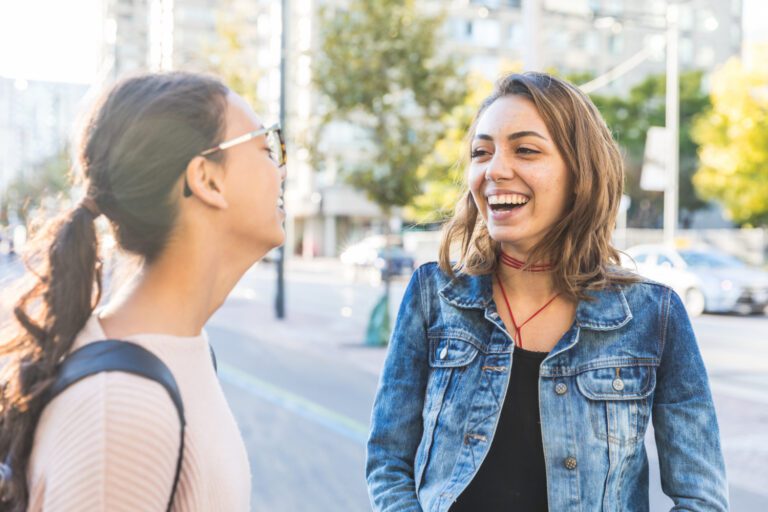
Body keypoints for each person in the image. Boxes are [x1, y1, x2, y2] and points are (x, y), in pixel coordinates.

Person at [366, 72, 728, 511]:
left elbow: (702, 499)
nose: (495, 170)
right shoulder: (433, 293)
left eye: (526, 150)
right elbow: (389, 461)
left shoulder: (655, 315)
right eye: (482, 152)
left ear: (580, 173)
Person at [0, 72, 286, 511]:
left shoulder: (181, 352)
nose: (281, 167)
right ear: (207, 179)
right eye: (267, 146)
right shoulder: (118, 408)